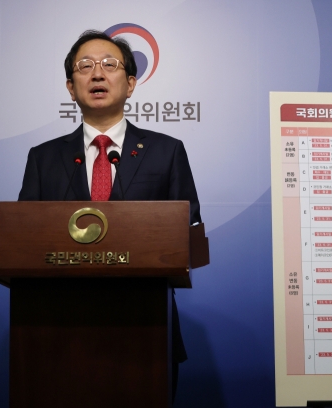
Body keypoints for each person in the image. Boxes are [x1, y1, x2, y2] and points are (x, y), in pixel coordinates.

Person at [18, 29, 201, 402]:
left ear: (131, 84)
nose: (97, 74)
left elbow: (191, 239)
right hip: (58, 331)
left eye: (109, 65)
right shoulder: (43, 158)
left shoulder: (167, 152)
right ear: (71, 88)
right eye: (84, 67)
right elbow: (23, 242)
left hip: (145, 327)